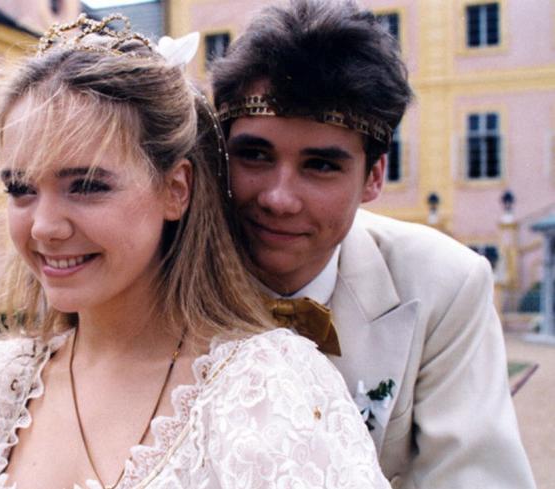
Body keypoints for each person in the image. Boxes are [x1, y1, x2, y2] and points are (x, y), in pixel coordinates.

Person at [0, 14, 389, 489]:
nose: (44, 226)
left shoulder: (265, 391)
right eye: (21, 189)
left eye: (86, 185)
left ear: (176, 189)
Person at [210, 1, 536, 488]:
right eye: (255, 155)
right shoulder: (158, 271)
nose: (279, 198)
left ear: (374, 178)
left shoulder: (444, 285)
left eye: (321, 165)